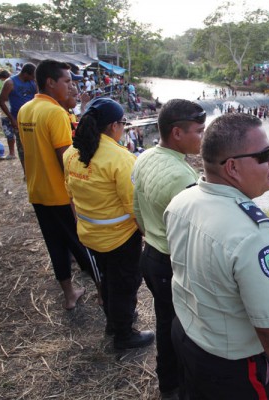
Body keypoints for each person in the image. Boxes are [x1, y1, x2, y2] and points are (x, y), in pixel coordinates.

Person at [163, 113, 269, 400]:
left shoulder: (182, 201)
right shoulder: (255, 238)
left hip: (185, 334)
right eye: (265, 155)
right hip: (230, 367)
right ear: (232, 167)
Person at [63, 97, 154, 350]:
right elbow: (134, 206)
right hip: (120, 237)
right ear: (114, 125)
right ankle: (124, 336)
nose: (124, 127)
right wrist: (146, 234)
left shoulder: (71, 153)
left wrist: (81, 225)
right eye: (123, 123)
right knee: (125, 283)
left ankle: (114, 322)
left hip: (89, 234)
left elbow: (69, 194)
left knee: (106, 279)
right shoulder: (120, 158)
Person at [132, 99, 206, 397]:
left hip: (150, 252)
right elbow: (196, 238)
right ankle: (182, 387)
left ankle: (168, 384)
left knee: (166, 323)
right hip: (172, 263)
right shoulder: (184, 180)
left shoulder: (145, 157)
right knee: (186, 330)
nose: (203, 137)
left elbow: (137, 210)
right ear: (177, 133)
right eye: (199, 131)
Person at [17, 60, 96, 310]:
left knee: (55, 244)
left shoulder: (25, 110)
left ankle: (69, 294)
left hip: (37, 191)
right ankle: (104, 291)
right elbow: (66, 159)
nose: (69, 86)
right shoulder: (55, 113)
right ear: (51, 82)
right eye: (66, 82)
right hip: (60, 195)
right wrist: (80, 194)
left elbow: (28, 150)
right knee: (83, 246)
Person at [0, 63, 38, 169]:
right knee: (22, 148)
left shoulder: (32, 82)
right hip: (19, 119)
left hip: (34, 119)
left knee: (35, 146)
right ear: (25, 74)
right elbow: (1, 101)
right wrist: (12, 119)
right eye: (32, 76)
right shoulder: (10, 83)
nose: (33, 79)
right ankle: (26, 172)